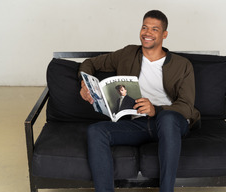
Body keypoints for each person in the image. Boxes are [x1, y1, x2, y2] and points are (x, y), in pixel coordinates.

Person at [79, 10, 200, 192]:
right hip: (140, 124)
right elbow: (91, 62)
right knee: (96, 131)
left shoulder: (182, 65)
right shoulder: (128, 53)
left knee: (167, 119)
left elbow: (186, 106)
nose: (147, 33)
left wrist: (156, 110)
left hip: (171, 123)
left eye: (154, 29)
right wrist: (84, 83)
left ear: (164, 35)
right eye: (144, 27)